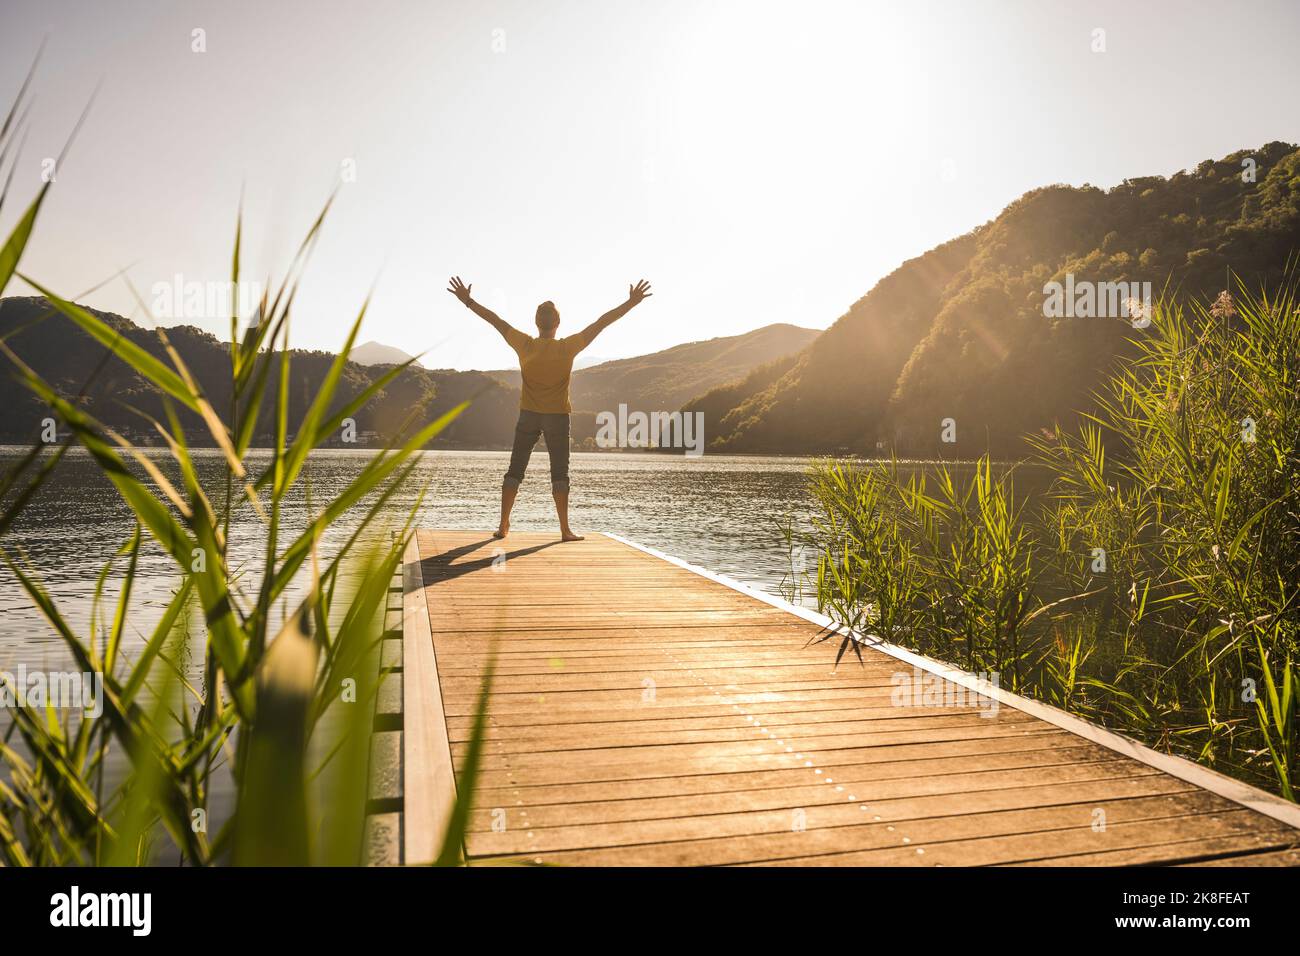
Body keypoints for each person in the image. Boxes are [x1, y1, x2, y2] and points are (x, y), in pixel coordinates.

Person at [447, 276, 653, 541]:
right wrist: (631, 303)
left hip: (528, 415)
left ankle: (503, 525)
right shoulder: (567, 348)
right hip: (557, 417)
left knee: (515, 471)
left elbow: (495, 320)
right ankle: (565, 530)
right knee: (560, 473)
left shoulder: (524, 344)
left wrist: (467, 301)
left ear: (536, 323)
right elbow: (601, 323)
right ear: (557, 324)